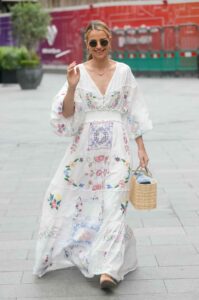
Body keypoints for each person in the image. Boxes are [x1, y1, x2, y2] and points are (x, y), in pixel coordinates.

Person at [33, 20, 153, 289]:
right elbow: (65, 114)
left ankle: (109, 270)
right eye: (93, 43)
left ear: (110, 41)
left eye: (103, 41)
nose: (99, 47)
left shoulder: (123, 72)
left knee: (114, 203)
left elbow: (134, 110)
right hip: (85, 150)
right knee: (81, 201)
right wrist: (72, 87)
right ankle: (87, 250)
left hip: (118, 149)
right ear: (86, 45)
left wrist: (141, 147)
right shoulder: (77, 72)